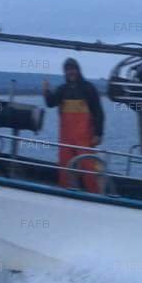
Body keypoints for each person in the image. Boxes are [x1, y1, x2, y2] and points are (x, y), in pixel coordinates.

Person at [43, 58, 104, 191]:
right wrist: (46, 91)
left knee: (89, 166)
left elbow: (98, 113)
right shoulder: (62, 89)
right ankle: (66, 193)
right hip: (66, 138)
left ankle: (95, 195)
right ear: (65, 72)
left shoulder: (89, 88)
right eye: (68, 70)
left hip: (85, 137)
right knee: (65, 166)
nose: (71, 72)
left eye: (73, 69)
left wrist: (98, 134)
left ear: (78, 70)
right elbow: (50, 103)